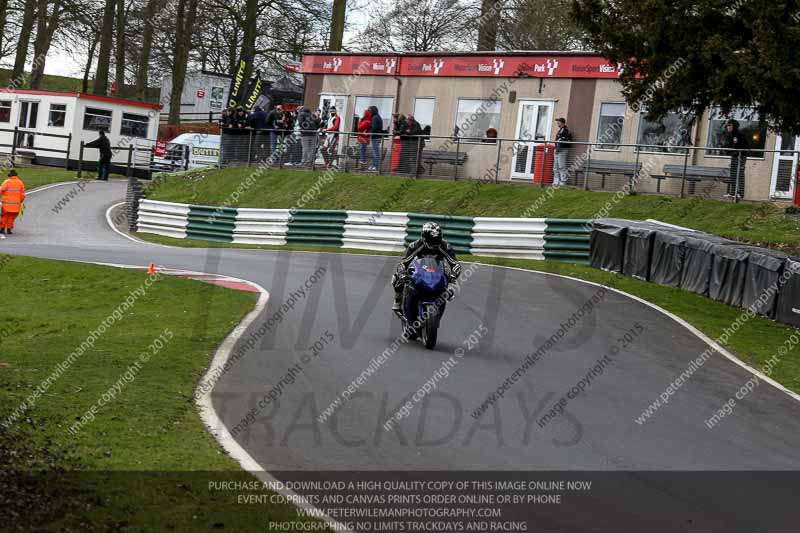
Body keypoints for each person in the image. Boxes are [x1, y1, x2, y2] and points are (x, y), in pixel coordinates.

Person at [391, 222, 462, 313]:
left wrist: (453, 275)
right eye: (432, 241)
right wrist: (402, 273)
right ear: (424, 238)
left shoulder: (445, 246)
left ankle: (444, 292)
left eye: (437, 240)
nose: (435, 244)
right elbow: (403, 263)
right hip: (419, 268)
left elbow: (455, 264)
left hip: (438, 269)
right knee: (396, 277)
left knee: (449, 279)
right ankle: (398, 301)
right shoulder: (415, 245)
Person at [724, 119, 749, 198]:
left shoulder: (739, 134)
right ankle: (732, 192)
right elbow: (731, 146)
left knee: (740, 174)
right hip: (734, 157)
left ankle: (740, 194)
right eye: (727, 125)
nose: (728, 127)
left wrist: (740, 154)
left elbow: (747, 146)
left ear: (734, 126)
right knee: (733, 174)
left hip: (741, 156)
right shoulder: (730, 135)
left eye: (729, 125)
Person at [0, 170, 26, 235]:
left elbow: (1, 189)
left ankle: (2, 229)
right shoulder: (20, 183)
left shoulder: (7, 182)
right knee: (11, 217)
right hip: (16, 205)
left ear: (9, 175)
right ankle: (9, 229)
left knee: (4, 216)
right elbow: (22, 194)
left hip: (6, 204)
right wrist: (21, 201)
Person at [553, 118, 572, 187]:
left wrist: (559, 146)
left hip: (562, 150)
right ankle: (556, 181)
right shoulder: (560, 130)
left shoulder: (565, 130)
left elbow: (566, 141)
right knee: (555, 166)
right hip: (557, 150)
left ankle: (563, 181)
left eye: (559, 122)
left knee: (561, 166)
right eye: (557, 122)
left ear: (563, 123)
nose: (557, 123)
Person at [368, 105, 384, 171]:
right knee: (375, 152)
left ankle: (376, 166)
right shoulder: (378, 117)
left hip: (375, 137)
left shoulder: (375, 117)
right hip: (377, 137)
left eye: (369, 111)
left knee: (375, 152)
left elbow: (374, 128)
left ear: (372, 111)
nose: (369, 112)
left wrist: (369, 131)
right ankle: (374, 165)